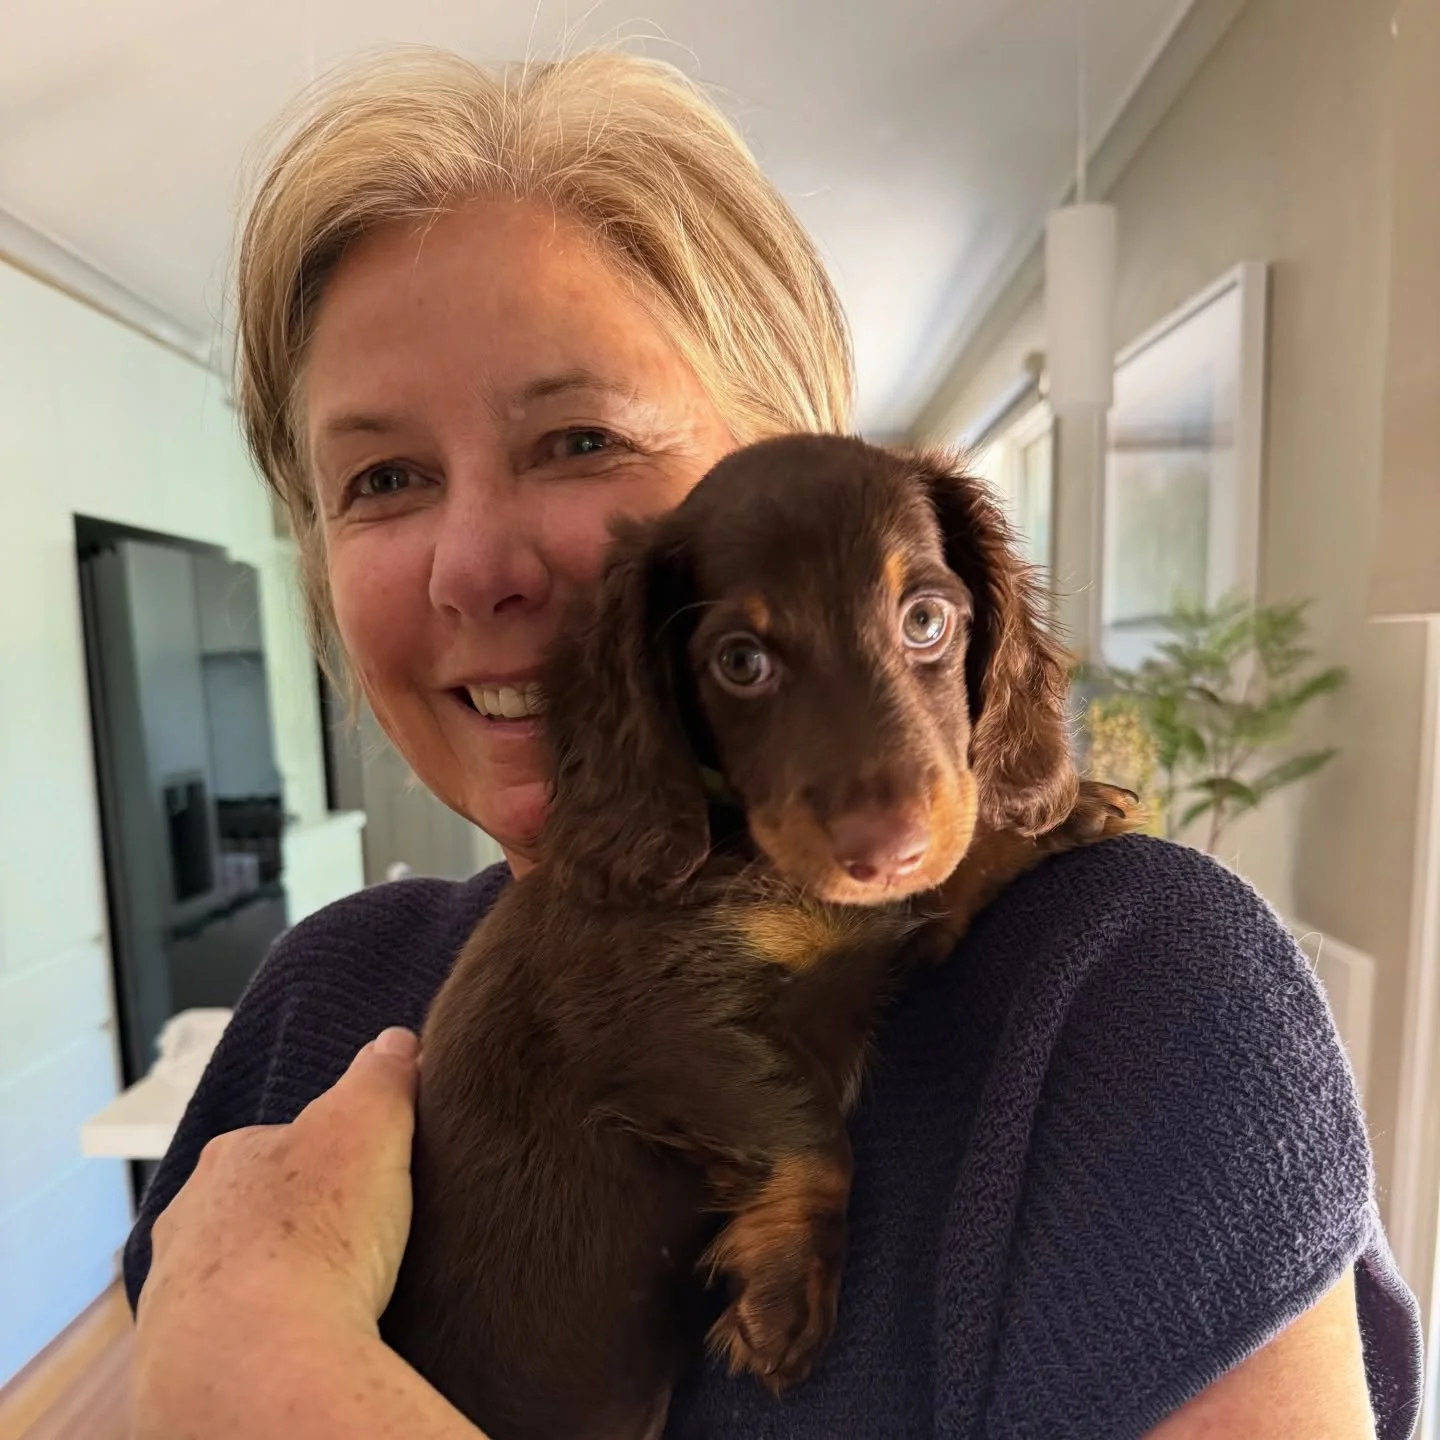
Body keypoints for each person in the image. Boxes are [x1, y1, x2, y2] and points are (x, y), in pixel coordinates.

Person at [124, 47, 1422, 1440]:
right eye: (380, 478)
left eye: (575, 437)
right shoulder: (319, 997)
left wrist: (269, 1365)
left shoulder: (1135, 991)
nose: (471, 565)